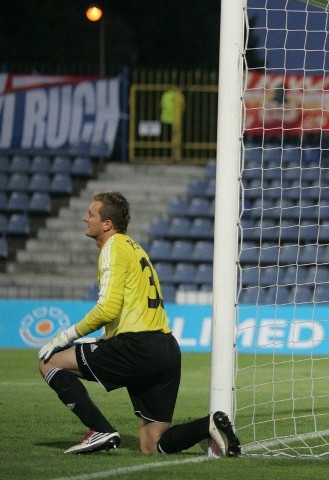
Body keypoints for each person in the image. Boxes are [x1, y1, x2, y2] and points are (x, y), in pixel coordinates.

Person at [37, 191, 241, 456]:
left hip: (137, 346)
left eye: (91, 214)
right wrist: (102, 340)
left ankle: (100, 429)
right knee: (152, 444)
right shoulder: (133, 247)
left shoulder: (113, 248)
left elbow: (107, 309)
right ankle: (209, 425)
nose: (85, 218)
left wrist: (66, 336)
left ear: (107, 224)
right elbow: (129, 307)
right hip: (166, 348)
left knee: (49, 362)